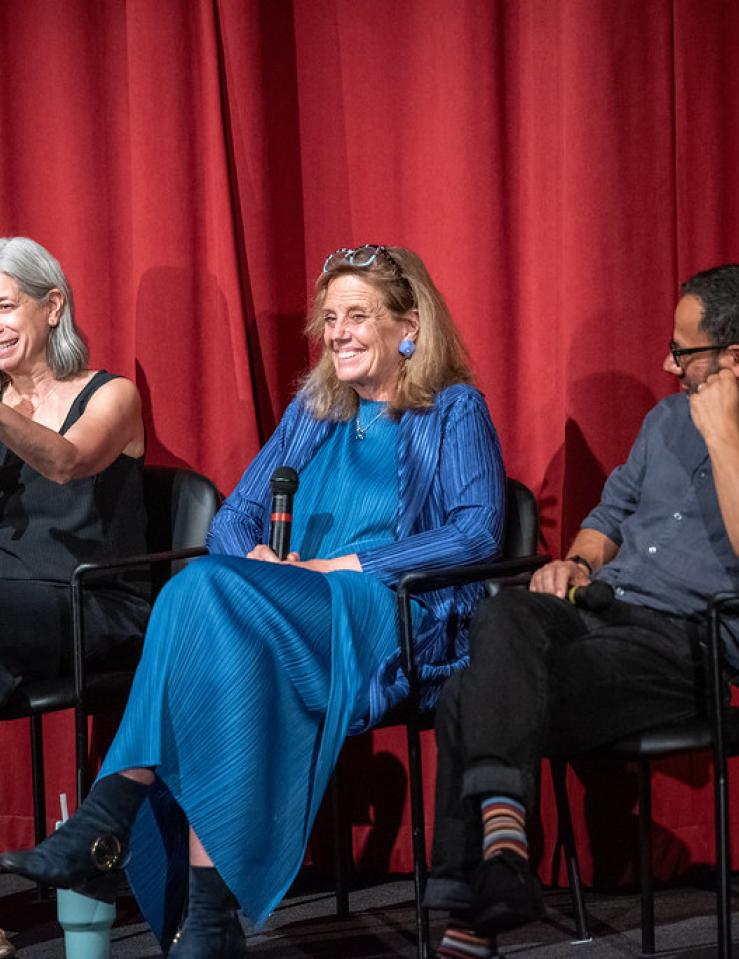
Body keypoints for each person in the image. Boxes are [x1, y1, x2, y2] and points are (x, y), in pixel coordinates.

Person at [0, 244, 506, 957]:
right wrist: (259, 559)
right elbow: (233, 518)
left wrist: (346, 561)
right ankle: (207, 917)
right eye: (329, 318)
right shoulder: (315, 408)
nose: (337, 333)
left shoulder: (453, 408)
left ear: (410, 323)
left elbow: (477, 530)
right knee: (215, 618)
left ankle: (111, 815)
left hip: (383, 613)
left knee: (198, 591)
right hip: (287, 605)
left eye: (357, 315)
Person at [424, 263, 739, 959]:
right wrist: (578, 560)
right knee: (504, 613)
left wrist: (723, 434)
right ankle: (502, 851)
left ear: (730, 357)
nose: (666, 362)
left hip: (682, 645)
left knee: (465, 694)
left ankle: (476, 903)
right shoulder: (662, 418)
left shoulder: (719, 428)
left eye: (682, 351)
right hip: (599, 608)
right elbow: (608, 512)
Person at [0, 235, 149, 958]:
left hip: (96, 605)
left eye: (2, 305)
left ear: (51, 304)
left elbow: (66, 462)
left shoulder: (111, 393)